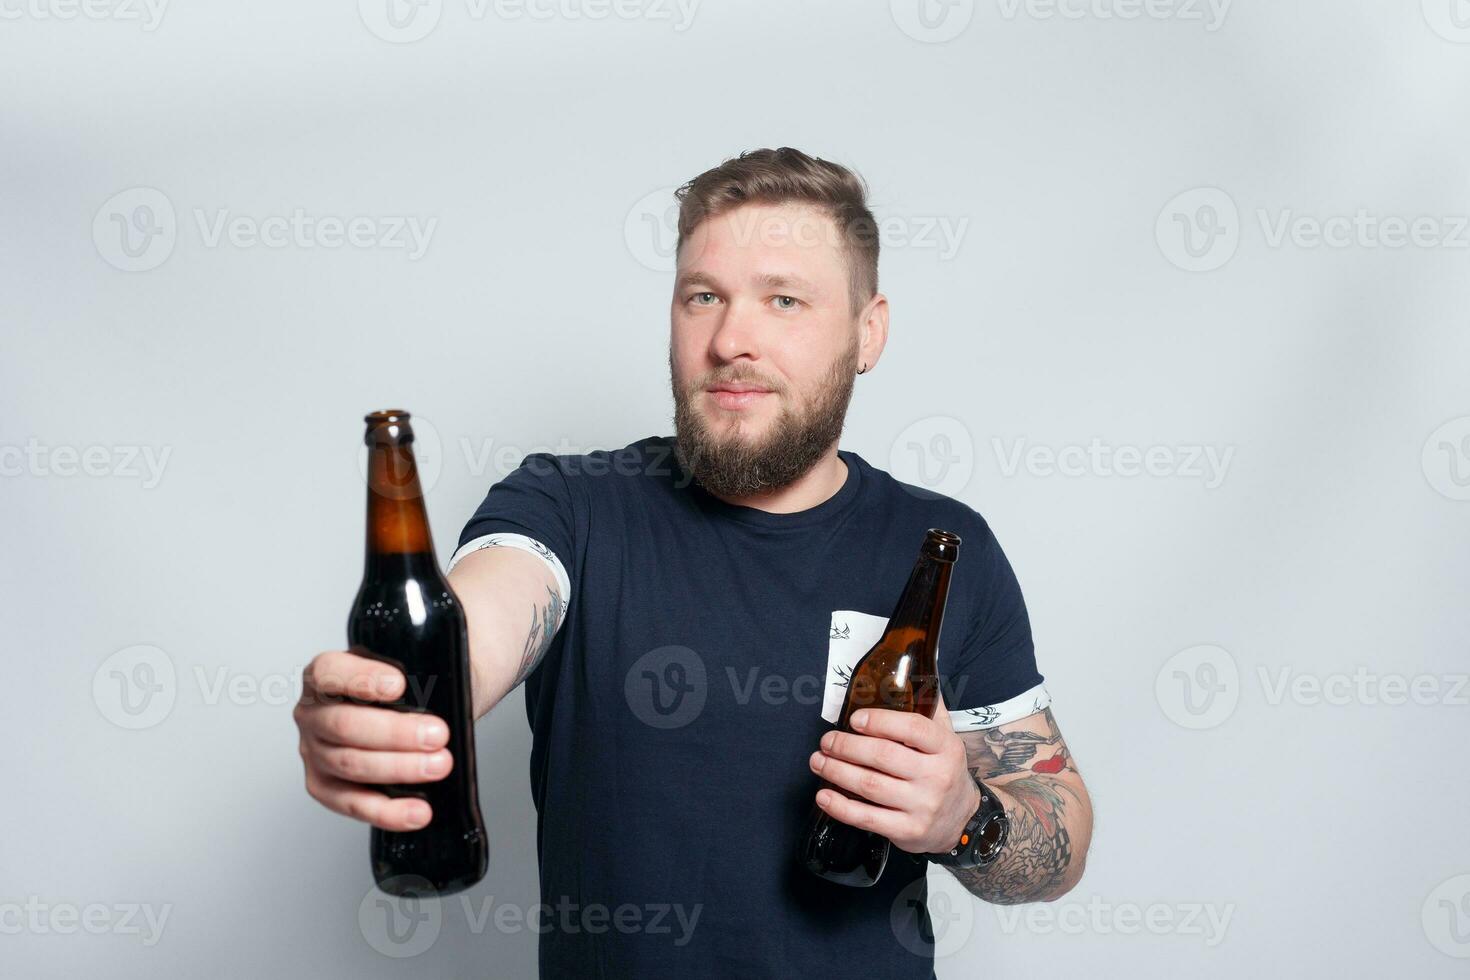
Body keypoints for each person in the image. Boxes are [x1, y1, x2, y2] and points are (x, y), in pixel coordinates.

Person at [294, 146, 1094, 977]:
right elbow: (476, 623)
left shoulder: (944, 546)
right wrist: (393, 700)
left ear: (868, 332)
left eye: (783, 300)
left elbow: (1061, 835)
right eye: (703, 297)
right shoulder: (573, 505)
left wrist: (966, 817)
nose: (730, 339)